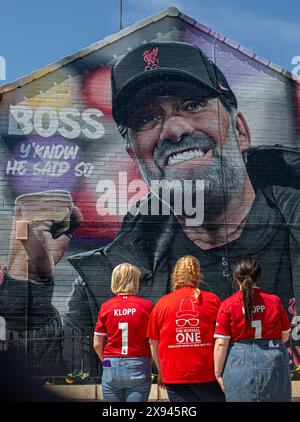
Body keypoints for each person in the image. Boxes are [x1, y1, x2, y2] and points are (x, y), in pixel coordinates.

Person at [0, 40, 299, 377]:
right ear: (135, 159)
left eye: (194, 104)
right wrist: (28, 284)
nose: (173, 129)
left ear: (241, 131)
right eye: (147, 119)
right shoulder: (111, 277)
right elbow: (57, 371)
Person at [147, 255, 224, 402]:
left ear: (175, 275)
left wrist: (161, 371)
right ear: (198, 274)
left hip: (174, 375)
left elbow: (153, 343)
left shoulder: (162, 304)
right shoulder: (212, 301)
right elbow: (222, 339)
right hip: (207, 373)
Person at [214, 256, 291, 402]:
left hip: (238, 361)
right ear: (259, 277)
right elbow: (285, 336)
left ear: (237, 278)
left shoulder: (228, 304)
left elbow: (221, 343)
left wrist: (217, 373)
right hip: (273, 358)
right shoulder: (274, 300)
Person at [93, 262, 153, 402]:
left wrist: (107, 362)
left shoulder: (106, 306)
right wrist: (149, 361)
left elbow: (97, 344)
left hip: (111, 364)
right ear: (135, 281)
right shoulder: (147, 306)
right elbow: (152, 341)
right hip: (138, 362)